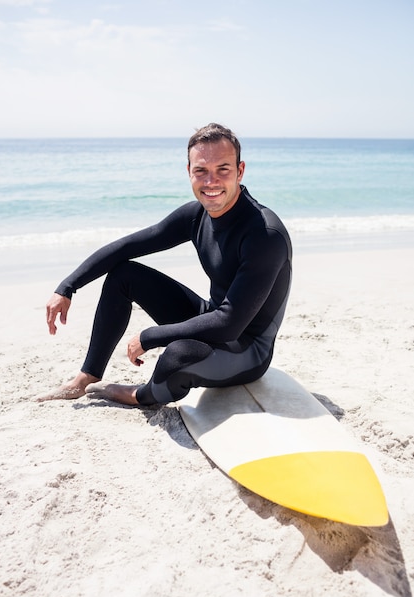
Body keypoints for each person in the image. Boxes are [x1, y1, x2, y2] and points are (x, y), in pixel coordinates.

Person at [37, 123, 292, 406]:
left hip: (247, 350)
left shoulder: (265, 235)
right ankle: (86, 378)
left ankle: (140, 395)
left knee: (177, 356)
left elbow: (229, 324)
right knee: (124, 274)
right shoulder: (197, 215)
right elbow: (128, 246)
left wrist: (150, 337)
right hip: (214, 317)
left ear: (240, 170)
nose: (211, 182)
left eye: (223, 169)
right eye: (201, 171)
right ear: (189, 172)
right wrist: (67, 287)